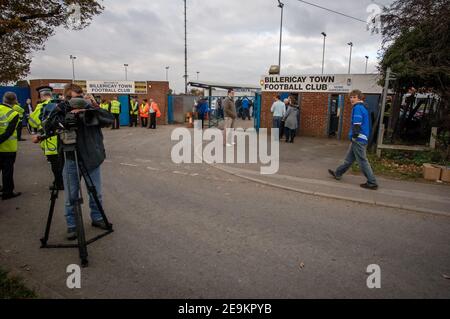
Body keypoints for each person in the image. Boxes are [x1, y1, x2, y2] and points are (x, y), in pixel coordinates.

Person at [39, 83, 114, 240]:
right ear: (66, 98)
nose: (78, 102)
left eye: (80, 98)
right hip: (70, 157)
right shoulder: (60, 109)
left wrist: (93, 105)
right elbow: (48, 125)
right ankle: (72, 226)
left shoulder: (91, 109)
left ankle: (97, 218)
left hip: (92, 157)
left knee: (96, 193)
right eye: (74, 99)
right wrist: (66, 110)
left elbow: (109, 119)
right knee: (71, 196)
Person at [328, 89, 378, 190]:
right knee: (349, 159)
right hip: (360, 138)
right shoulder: (363, 107)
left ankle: (372, 182)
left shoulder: (358, 108)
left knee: (362, 161)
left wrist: (354, 136)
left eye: (354, 97)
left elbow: (357, 124)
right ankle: (338, 173)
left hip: (358, 138)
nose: (352, 99)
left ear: (359, 98)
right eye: (350, 97)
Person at [29, 86, 64, 191]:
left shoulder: (42, 106)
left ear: (41, 95)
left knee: (55, 164)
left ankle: (59, 183)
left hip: (49, 139)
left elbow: (32, 122)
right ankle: (60, 181)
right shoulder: (59, 103)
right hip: (61, 137)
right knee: (61, 162)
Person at [0, 92, 21, 200]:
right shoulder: (13, 114)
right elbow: (8, 132)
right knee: (7, 171)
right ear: (15, 101)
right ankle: (7, 192)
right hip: (8, 148)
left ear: (4, 99)